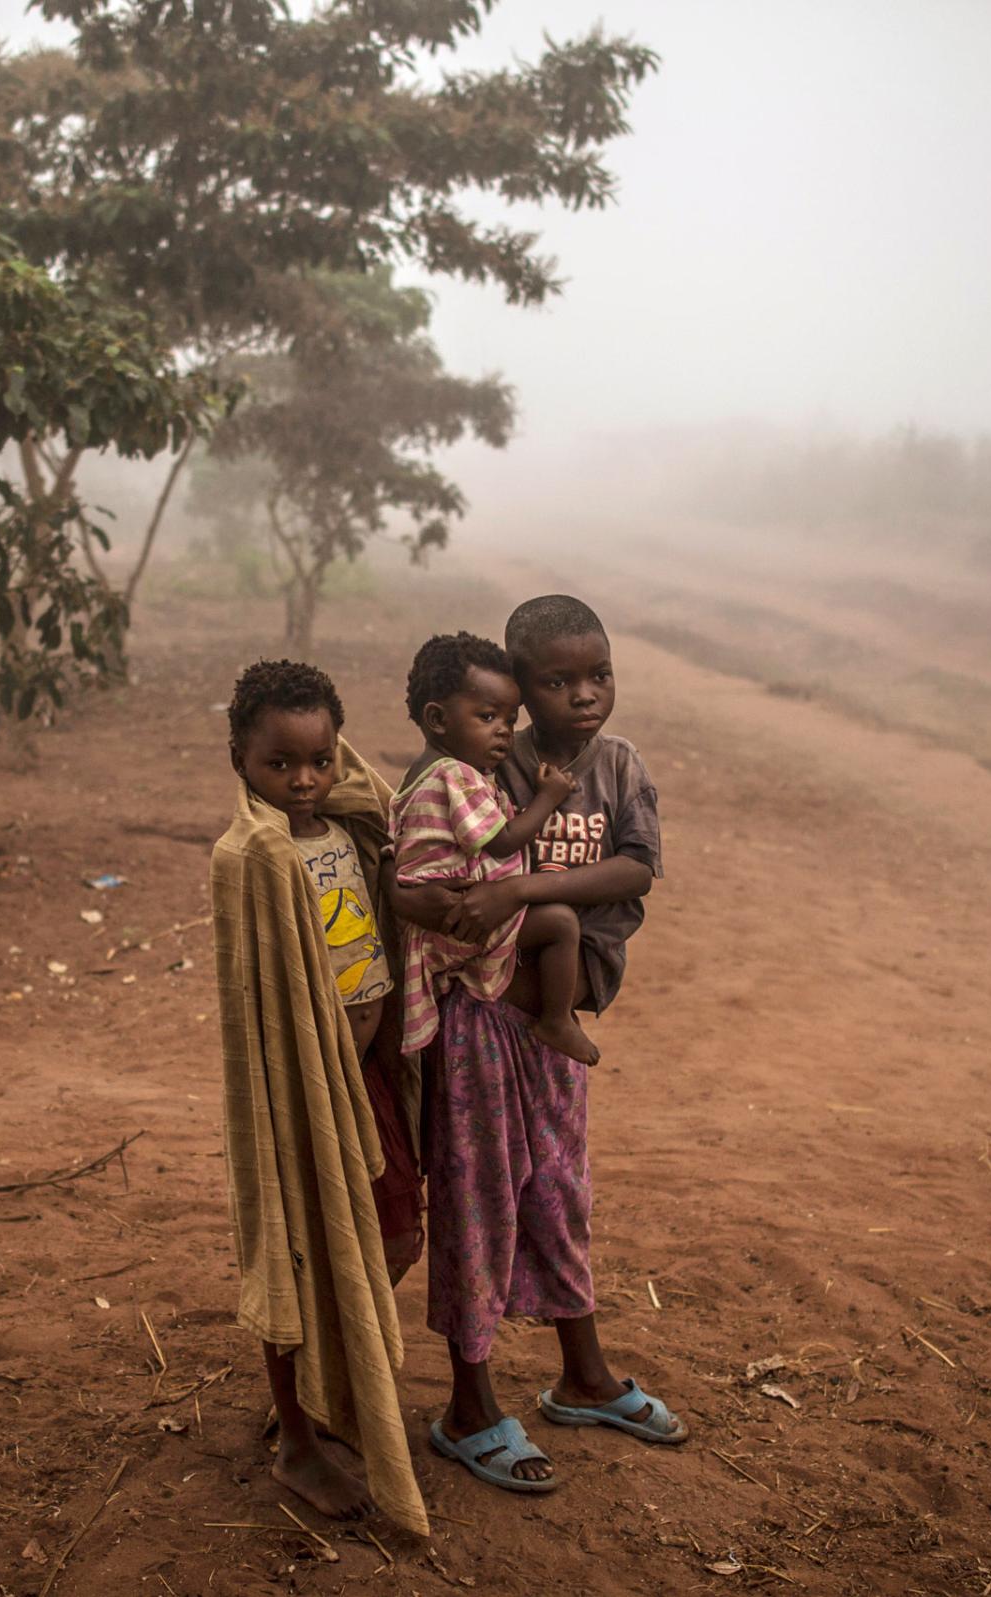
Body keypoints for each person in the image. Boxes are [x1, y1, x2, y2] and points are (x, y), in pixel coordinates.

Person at [393, 596, 684, 1495]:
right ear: (518, 691)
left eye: (599, 675)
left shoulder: (619, 766)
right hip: (482, 1018)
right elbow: (422, 873)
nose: (584, 696)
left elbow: (636, 867)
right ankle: (469, 1402)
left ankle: (582, 1374)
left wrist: (523, 894)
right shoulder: (481, 761)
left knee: (559, 1190)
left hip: (558, 1021)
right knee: (480, 1198)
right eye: (556, 682)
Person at [210, 660, 429, 1534]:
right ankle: (297, 1437)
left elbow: (383, 796)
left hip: (366, 1078)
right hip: (301, 1095)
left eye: (320, 758)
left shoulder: (349, 821)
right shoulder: (249, 858)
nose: (304, 779)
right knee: (298, 1253)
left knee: (400, 1231)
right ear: (239, 759)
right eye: (279, 764)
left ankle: (321, 1380)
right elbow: (249, 1001)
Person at [390, 631, 599, 1068]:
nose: (504, 731)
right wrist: (549, 797)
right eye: (487, 717)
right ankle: (556, 1020)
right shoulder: (456, 775)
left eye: (510, 718)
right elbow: (503, 842)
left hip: (438, 920)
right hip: (461, 919)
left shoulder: (420, 774)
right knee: (561, 923)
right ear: (438, 719)